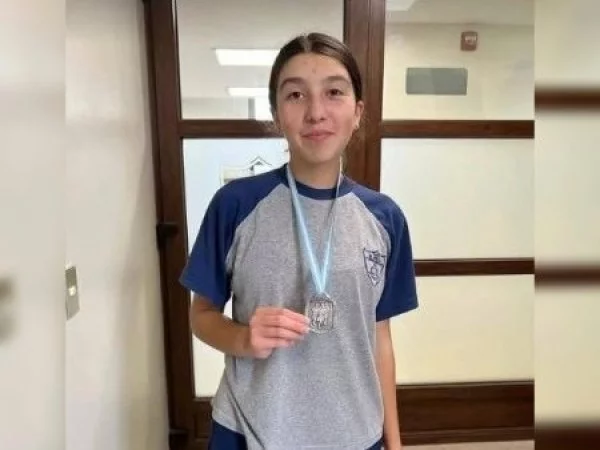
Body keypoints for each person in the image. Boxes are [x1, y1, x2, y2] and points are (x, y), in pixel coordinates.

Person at [180, 32, 418, 450]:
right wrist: (242, 339)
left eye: (334, 92)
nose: (316, 112)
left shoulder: (385, 218)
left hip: (355, 433)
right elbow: (201, 314)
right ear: (276, 113)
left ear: (358, 111)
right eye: (295, 95)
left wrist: (394, 442)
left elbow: (380, 336)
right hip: (251, 430)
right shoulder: (235, 205)